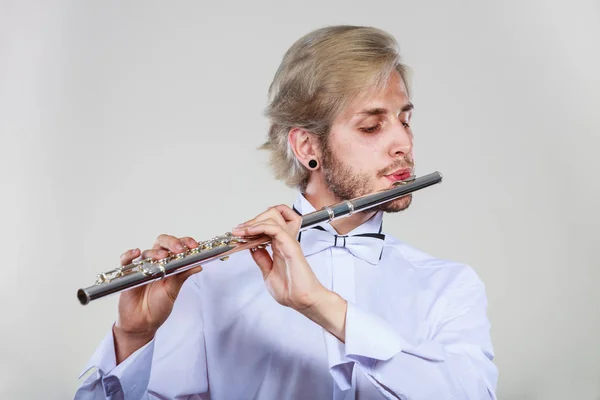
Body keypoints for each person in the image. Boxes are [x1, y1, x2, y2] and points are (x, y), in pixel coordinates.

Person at [75, 25, 498, 400]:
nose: (402, 143)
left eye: (404, 120)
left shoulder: (449, 287)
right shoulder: (211, 286)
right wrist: (134, 337)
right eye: (372, 126)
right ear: (307, 147)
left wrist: (321, 306)